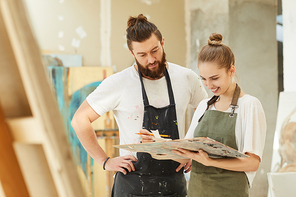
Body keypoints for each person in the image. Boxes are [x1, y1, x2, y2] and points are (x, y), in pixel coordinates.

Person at [71, 14, 208, 197]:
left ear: (162, 42)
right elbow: (80, 120)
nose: (151, 59)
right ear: (132, 53)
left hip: (174, 185)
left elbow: (206, 113)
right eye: (142, 55)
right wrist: (105, 161)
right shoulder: (119, 83)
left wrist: (193, 151)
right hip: (132, 185)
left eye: (155, 50)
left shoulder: (186, 78)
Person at [172, 33, 266, 197]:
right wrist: (156, 144)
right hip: (197, 192)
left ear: (231, 70)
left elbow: (252, 163)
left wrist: (210, 161)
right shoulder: (203, 106)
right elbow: (184, 155)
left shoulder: (249, 105)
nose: (209, 85)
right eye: (204, 79)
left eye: (214, 78)